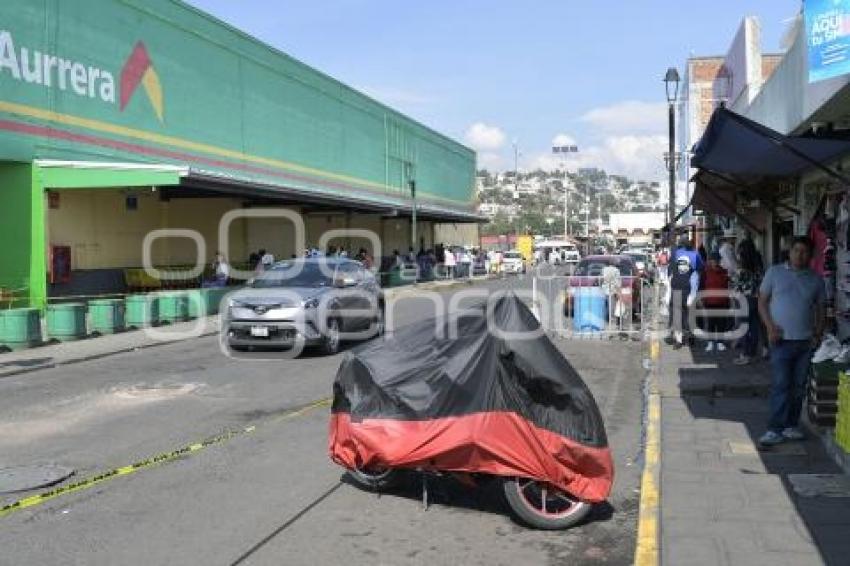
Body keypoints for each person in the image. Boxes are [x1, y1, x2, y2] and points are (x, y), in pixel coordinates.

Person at [757, 236, 826, 447]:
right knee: (781, 385)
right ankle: (774, 429)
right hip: (780, 341)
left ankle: (791, 425)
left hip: (805, 342)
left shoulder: (816, 279)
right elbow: (762, 302)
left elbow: (821, 308)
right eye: (796, 250)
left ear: (811, 255)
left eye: (804, 251)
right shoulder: (775, 272)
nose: (799, 255)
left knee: (798, 387)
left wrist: (818, 333)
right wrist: (769, 327)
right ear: (790, 252)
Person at [732, 238, 763, 365]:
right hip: (757, 299)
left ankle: (745, 354)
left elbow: (737, 287)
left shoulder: (742, 269)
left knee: (744, 328)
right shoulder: (758, 266)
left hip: (744, 300)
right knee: (755, 327)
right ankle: (755, 351)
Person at [699, 251, 730, 353]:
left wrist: (727, 300)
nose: (715, 262)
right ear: (709, 261)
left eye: (717, 260)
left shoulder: (724, 272)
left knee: (721, 323)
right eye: (713, 260)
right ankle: (711, 342)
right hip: (709, 302)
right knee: (711, 323)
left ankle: (720, 342)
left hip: (722, 302)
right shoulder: (705, 273)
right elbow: (702, 287)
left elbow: (727, 288)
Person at [667, 255, 699, 348]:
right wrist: (667, 297)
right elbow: (669, 285)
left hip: (687, 297)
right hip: (675, 297)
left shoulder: (693, 273)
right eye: (680, 263)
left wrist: (691, 299)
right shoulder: (674, 272)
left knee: (688, 321)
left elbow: (694, 288)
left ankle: (690, 337)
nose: (682, 265)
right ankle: (678, 340)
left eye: (684, 263)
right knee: (677, 320)